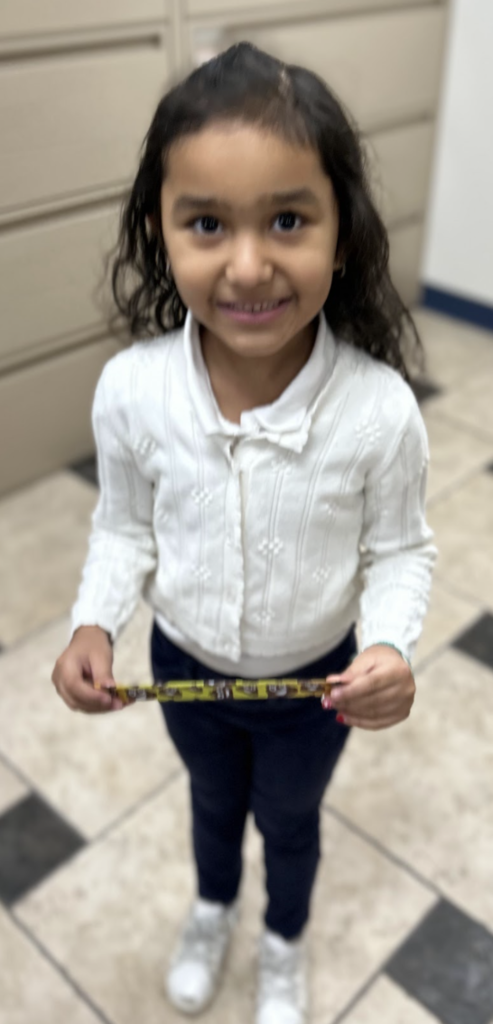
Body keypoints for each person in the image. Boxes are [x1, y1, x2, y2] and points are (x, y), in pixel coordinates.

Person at [51, 42, 437, 1024]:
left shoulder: (379, 411)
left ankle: (282, 939)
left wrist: (392, 646)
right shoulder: (131, 392)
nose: (250, 264)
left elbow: (400, 549)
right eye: (208, 223)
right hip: (183, 667)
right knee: (213, 805)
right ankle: (214, 907)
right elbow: (123, 524)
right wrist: (94, 620)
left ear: (342, 234)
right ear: (161, 231)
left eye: (289, 220)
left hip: (314, 688)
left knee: (290, 821)